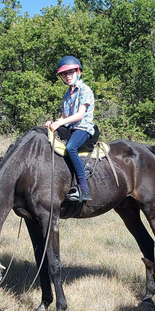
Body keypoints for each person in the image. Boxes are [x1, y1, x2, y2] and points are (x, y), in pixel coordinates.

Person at [45, 56, 95, 202]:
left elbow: (79, 115)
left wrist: (60, 123)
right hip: (71, 128)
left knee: (71, 147)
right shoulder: (67, 95)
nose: (68, 76)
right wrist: (53, 122)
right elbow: (64, 117)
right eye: (64, 74)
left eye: (71, 72)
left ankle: (84, 189)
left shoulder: (85, 90)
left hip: (83, 128)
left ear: (78, 72)